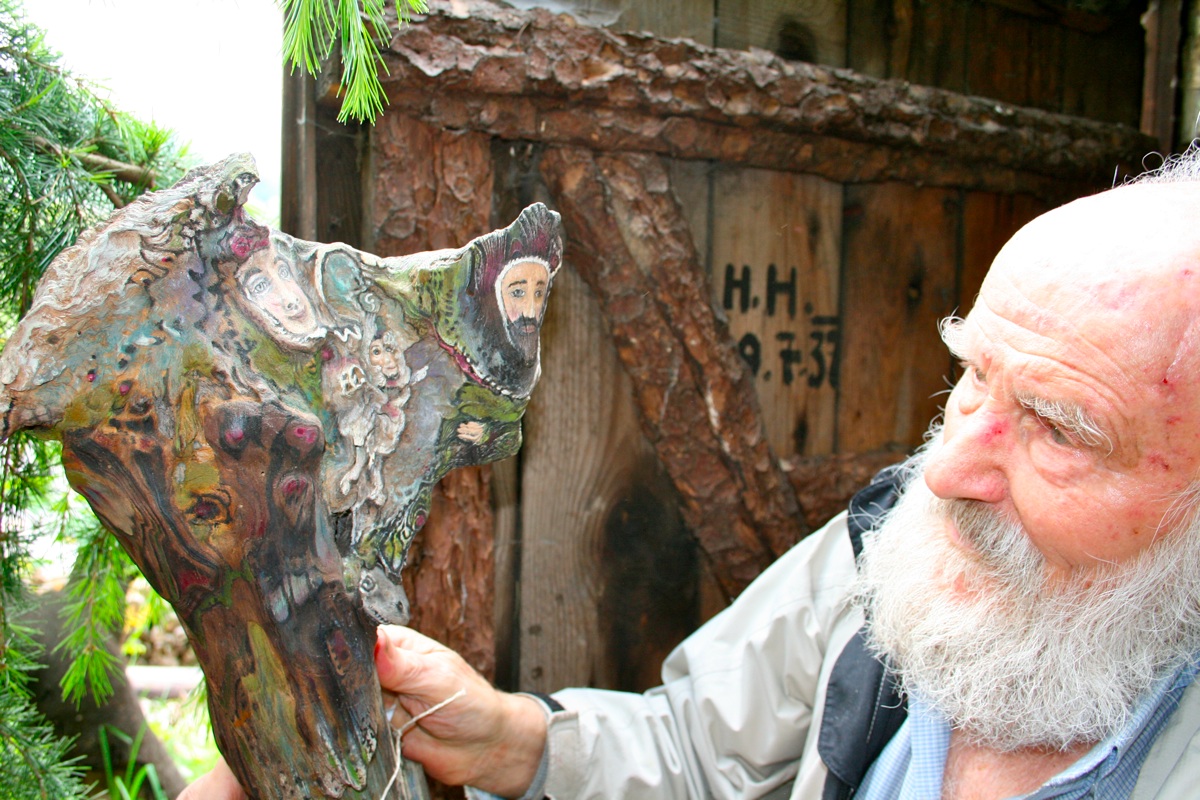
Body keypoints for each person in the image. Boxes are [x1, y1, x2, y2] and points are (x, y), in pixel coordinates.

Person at [183, 152, 1200, 799]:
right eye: (973, 373)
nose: (947, 472)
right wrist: (510, 741)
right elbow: (704, 753)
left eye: (1060, 430)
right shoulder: (890, 548)